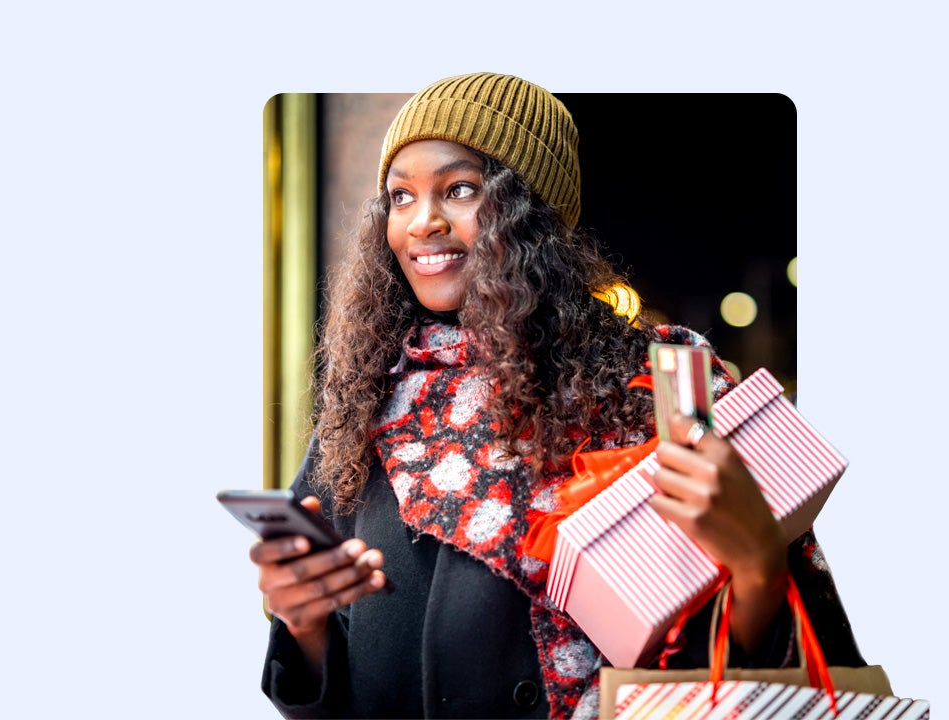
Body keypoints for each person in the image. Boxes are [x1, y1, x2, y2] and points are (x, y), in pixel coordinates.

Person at [248, 72, 866, 719]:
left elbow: (757, 675)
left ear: (531, 212)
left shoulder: (658, 385)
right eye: (400, 197)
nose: (422, 222)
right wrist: (303, 626)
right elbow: (336, 683)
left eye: (459, 189)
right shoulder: (370, 400)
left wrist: (759, 564)